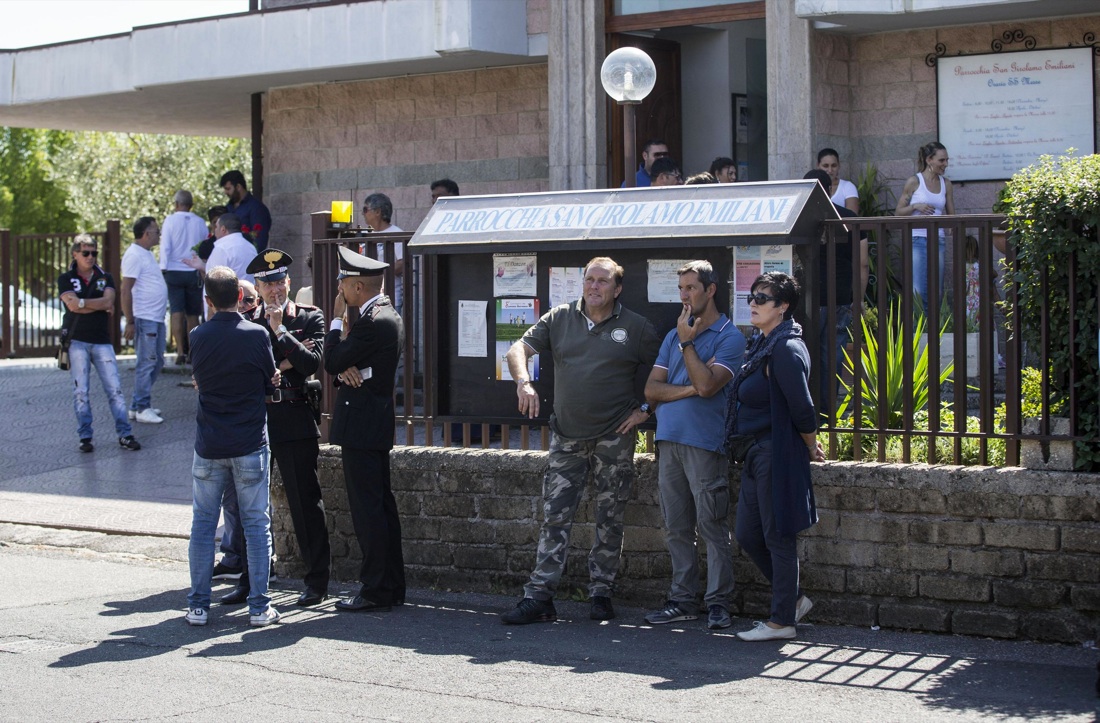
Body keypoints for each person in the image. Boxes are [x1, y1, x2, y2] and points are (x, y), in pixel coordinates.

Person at [501, 257, 660, 625]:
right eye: (589, 279)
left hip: (613, 439)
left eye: (603, 281)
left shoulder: (636, 328)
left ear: (617, 289)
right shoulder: (559, 318)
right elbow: (517, 349)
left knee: (610, 518)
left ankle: (601, 592)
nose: (594, 287)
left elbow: (664, 371)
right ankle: (540, 595)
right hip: (567, 437)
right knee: (554, 517)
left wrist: (646, 410)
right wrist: (523, 381)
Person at [643, 261, 745, 630]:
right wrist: (688, 387)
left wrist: (688, 342)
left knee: (712, 525)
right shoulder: (673, 336)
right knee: (676, 526)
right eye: (681, 289)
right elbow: (652, 391)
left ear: (710, 289)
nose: (684, 296)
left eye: (691, 288)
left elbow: (709, 385)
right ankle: (682, 599)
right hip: (668, 441)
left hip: (705, 443)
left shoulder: (728, 336)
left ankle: (718, 602)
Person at [724, 272, 823, 641]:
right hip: (754, 453)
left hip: (775, 452)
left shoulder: (785, 348)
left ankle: (782, 621)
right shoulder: (762, 343)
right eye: (752, 296)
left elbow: (803, 407)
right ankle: (793, 600)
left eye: (762, 299)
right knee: (749, 535)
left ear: (782, 307)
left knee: (778, 536)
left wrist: (811, 445)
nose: (753, 303)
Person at [185, 265, 280, 628]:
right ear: (241, 298)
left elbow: (200, 379)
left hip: (210, 442)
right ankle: (258, 608)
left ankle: (198, 605)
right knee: (257, 525)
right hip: (250, 441)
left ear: (208, 301)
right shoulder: (256, 334)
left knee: (203, 525)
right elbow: (270, 382)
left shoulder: (198, 336)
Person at [235, 248, 330, 607]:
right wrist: (284, 360)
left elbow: (312, 364)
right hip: (257, 421)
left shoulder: (310, 317)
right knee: (250, 503)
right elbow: (250, 366)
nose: (274, 290)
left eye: (279, 282)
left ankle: (316, 582)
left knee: (305, 503)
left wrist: (280, 333)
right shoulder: (246, 321)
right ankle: (250, 580)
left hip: (294, 416)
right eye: (267, 284)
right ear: (256, 288)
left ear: (289, 282)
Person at [323, 246, 405, 612]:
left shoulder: (372, 321)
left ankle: (375, 589)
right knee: (380, 505)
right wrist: (345, 369)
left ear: (357, 287)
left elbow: (331, 359)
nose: (339, 290)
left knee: (368, 509)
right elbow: (346, 365)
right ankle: (389, 585)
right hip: (371, 423)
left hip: (363, 426)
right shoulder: (384, 314)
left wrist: (337, 323)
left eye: (343, 283)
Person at [57, 234, 141, 453]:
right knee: (81, 391)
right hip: (77, 341)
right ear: (75, 254)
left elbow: (109, 301)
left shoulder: (105, 277)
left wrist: (84, 302)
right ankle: (85, 437)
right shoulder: (66, 278)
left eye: (94, 253)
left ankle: (125, 434)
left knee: (115, 389)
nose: (91, 257)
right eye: (86, 253)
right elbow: (72, 306)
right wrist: (97, 305)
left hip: (101, 340)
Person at [209, 275, 263, 584]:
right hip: (229, 434)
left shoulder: (258, 330)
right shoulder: (217, 332)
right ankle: (233, 556)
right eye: (242, 301)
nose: (244, 306)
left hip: (251, 433)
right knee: (231, 502)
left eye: (249, 302)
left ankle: (254, 579)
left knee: (253, 511)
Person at [804, 168, 868, 420]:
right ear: (830, 189)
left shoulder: (799, 218)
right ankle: (827, 416)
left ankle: (807, 414)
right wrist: (859, 298)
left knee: (805, 356)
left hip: (807, 301)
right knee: (832, 358)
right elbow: (862, 263)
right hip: (840, 298)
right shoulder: (849, 218)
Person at [895, 141, 955, 313]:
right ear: (930, 160)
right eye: (941, 160)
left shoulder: (946, 184)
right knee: (919, 290)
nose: (945, 164)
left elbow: (952, 213)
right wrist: (915, 206)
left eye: (946, 160)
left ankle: (934, 329)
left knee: (937, 288)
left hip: (938, 239)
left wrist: (951, 227)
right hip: (917, 239)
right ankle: (919, 332)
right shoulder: (914, 182)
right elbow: (898, 212)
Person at [121, 217, 169, 424]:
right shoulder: (134, 255)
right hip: (145, 317)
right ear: (146, 233)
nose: (159, 234)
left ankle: (136, 405)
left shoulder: (145, 254)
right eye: (156, 231)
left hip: (155, 317)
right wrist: (130, 320)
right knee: (147, 362)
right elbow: (125, 289)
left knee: (156, 361)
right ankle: (142, 406)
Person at [160, 190, 206, 365]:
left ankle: (180, 351)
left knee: (176, 312)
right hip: (193, 269)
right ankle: (193, 351)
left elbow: (165, 247)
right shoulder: (200, 222)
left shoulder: (170, 221)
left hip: (174, 269)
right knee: (193, 314)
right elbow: (203, 246)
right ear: (191, 204)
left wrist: (163, 268)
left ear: (176, 204)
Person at [184, 213, 257, 283]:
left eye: (216, 227)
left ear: (223, 229)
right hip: (248, 292)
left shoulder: (222, 248)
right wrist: (202, 265)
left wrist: (202, 266)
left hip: (227, 294)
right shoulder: (250, 247)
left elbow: (216, 278)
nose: (214, 230)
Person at [362, 193, 405, 309]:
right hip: (368, 296)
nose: (363, 213)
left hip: (390, 295)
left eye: (365, 209)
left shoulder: (396, 233)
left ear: (377, 212)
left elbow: (402, 263)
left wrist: (379, 274)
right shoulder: (366, 235)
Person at [220, 170, 272, 252]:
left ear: (238, 187)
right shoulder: (228, 207)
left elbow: (260, 242)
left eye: (228, 189)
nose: (226, 192)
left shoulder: (256, 208)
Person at [816, 148, 860, 213]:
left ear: (839, 166)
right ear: (818, 165)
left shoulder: (847, 187)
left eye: (834, 166)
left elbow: (852, 217)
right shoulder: (813, 186)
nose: (830, 170)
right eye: (825, 166)